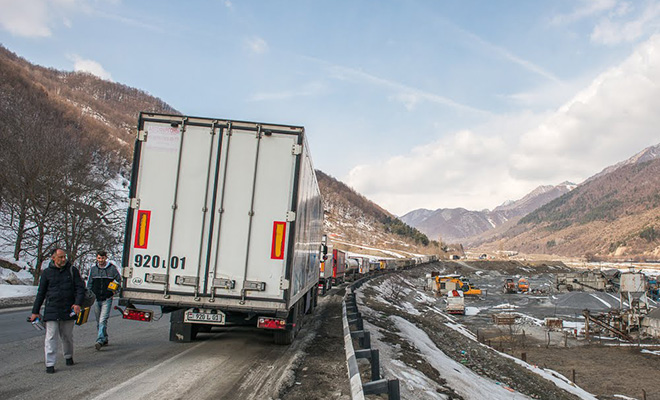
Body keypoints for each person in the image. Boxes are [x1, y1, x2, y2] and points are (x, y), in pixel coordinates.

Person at [30, 248, 85, 374]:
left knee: (67, 336)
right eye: (60, 257)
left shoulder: (72, 271)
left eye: (64, 256)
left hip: (68, 309)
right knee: (50, 337)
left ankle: (68, 356)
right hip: (52, 309)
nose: (64, 259)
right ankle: (50, 364)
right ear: (53, 258)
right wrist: (35, 311)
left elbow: (80, 289)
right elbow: (41, 293)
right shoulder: (47, 273)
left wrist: (77, 304)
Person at [86, 250, 121, 350]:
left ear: (106, 258)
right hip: (96, 299)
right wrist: (89, 295)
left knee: (103, 319)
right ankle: (104, 337)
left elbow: (119, 281)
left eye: (102, 258)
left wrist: (113, 291)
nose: (100, 260)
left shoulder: (112, 269)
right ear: (97, 258)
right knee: (98, 320)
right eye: (99, 258)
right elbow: (90, 283)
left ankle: (100, 340)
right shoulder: (93, 270)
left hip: (107, 298)